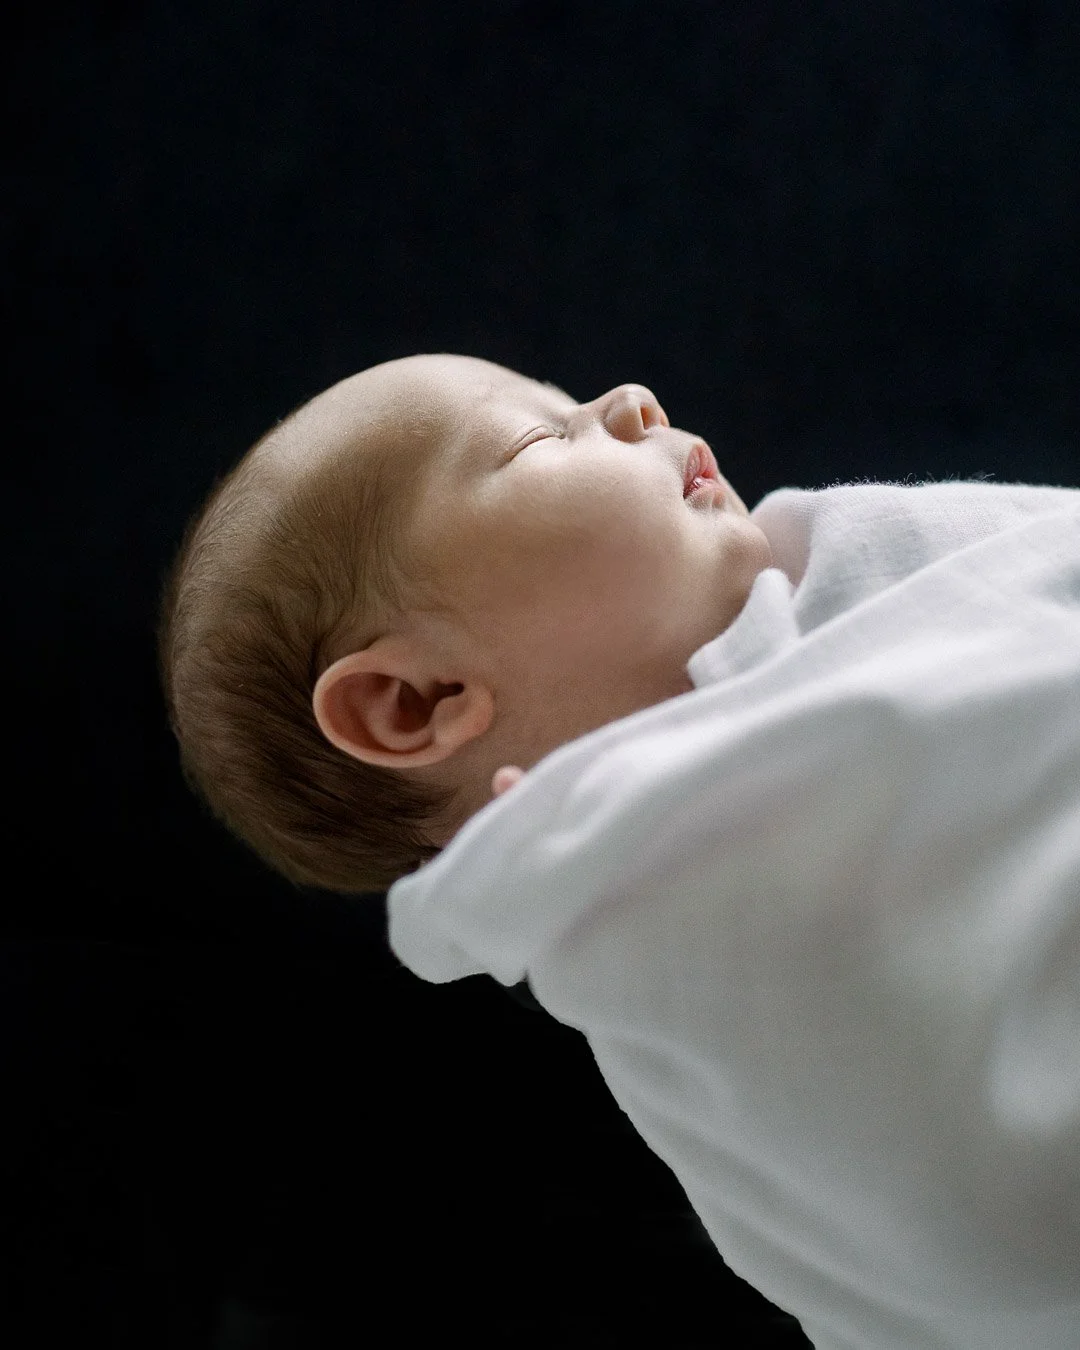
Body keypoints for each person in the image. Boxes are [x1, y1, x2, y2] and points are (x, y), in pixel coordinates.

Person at [160, 352, 1080, 1348]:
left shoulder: (868, 570)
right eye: (539, 439)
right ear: (414, 700)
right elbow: (946, 1216)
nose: (633, 402)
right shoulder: (669, 926)